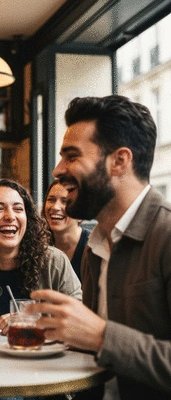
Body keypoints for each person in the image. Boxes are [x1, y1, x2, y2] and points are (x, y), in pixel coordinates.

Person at [29, 95, 171, 399]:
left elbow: (100, 340)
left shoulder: (167, 235)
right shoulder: (96, 246)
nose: (58, 170)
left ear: (119, 161)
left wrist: (100, 336)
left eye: (71, 156)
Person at [0, 178, 82, 333]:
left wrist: (30, 321)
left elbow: (79, 318)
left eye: (18, 209)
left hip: (40, 356)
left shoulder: (54, 262)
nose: (10, 216)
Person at [42, 179, 90, 280]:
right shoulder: (37, 246)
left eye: (65, 201)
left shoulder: (93, 249)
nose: (55, 207)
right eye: (51, 200)